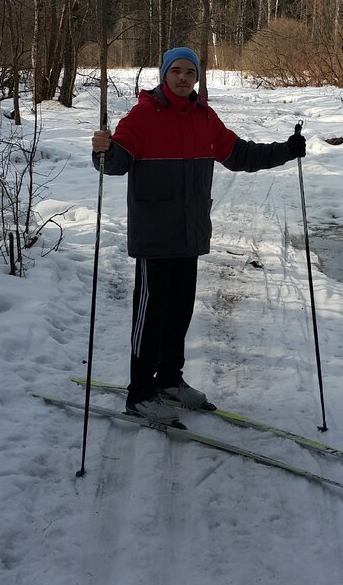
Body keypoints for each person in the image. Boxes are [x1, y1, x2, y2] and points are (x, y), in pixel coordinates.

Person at [91, 46, 306, 423]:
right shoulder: (143, 116)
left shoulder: (205, 117)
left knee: (179, 312)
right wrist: (102, 151)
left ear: (197, 78)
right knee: (150, 316)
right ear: (164, 74)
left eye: (190, 72)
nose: (183, 78)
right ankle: (140, 393)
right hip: (154, 235)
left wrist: (286, 150)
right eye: (176, 70)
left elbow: (241, 155)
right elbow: (117, 162)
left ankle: (169, 380)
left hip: (189, 235)